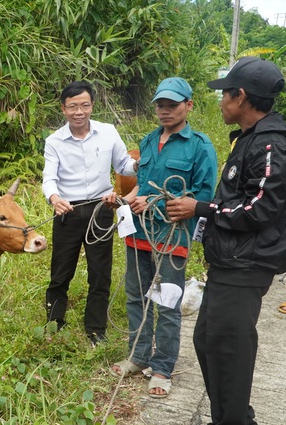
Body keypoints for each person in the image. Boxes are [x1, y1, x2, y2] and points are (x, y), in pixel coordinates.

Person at [166, 57, 286, 425]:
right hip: (232, 261)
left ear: (240, 96)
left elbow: (259, 211)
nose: (222, 100)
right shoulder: (250, 137)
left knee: (228, 346)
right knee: (209, 340)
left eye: (225, 93)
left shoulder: (271, 145)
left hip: (248, 263)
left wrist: (201, 209)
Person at [106, 78, 217, 399]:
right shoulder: (148, 140)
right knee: (135, 296)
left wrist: (158, 203)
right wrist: (125, 200)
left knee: (167, 302)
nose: (165, 111)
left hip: (172, 234)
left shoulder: (200, 146)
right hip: (139, 232)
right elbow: (141, 184)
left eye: (172, 105)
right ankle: (138, 355)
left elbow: (203, 196)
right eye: (160, 105)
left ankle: (163, 367)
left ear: (188, 105)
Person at [41, 80, 136, 346]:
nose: (79, 112)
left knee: (100, 272)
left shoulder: (107, 133)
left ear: (92, 105)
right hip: (68, 212)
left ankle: (96, 332)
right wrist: (54, 197)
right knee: (60, 272)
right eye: (72, 106)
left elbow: (123, 165)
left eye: (84, 105)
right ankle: (53, 325)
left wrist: (140, 164)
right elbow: (49, 178)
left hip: (101, 209)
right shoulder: (54, 141)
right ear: (63, 109)